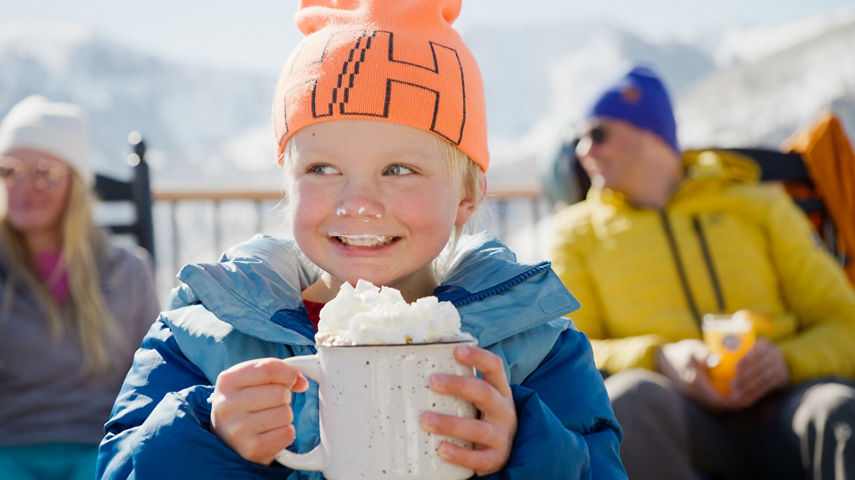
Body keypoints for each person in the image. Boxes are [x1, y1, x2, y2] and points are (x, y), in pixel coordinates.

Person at [96, 1, 627, 479]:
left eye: (399, 169)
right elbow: (120, 467)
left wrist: (525, 448)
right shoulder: (205, 333)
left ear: (467, 195)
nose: (358, 203)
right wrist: (205, 438)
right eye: (323, 168)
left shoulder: (535, 346)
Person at [549, 64, 855, 480]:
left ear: (651, 132)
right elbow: (567, 347)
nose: (584, 151)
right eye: (578, 138)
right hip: (677, 418)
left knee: (836, 409)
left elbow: (843, 320)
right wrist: (658, 357)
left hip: (784, 406)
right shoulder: (577, 231)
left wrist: (786, 362)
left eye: (598, 133)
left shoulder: (756, 204)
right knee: (631, 402)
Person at [0, 95, 160, 479]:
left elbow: (154, 377)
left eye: (44, 172)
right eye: (9, 170)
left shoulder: (129, 272)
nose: (24, 186)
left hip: (104, 448)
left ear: (76, 183)